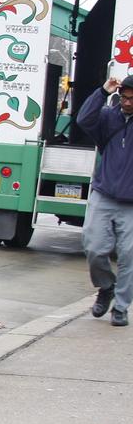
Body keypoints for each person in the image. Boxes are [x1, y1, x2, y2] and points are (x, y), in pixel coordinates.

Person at [75, 75, 133, 327]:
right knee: (94, 247)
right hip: (104, 193)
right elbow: (84, 119)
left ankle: (120, 307)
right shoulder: (110, 117)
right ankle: (106, 286)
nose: (128, 103)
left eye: (132, 99)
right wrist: (102, 91)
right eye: (124, 97)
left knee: (129, 255)